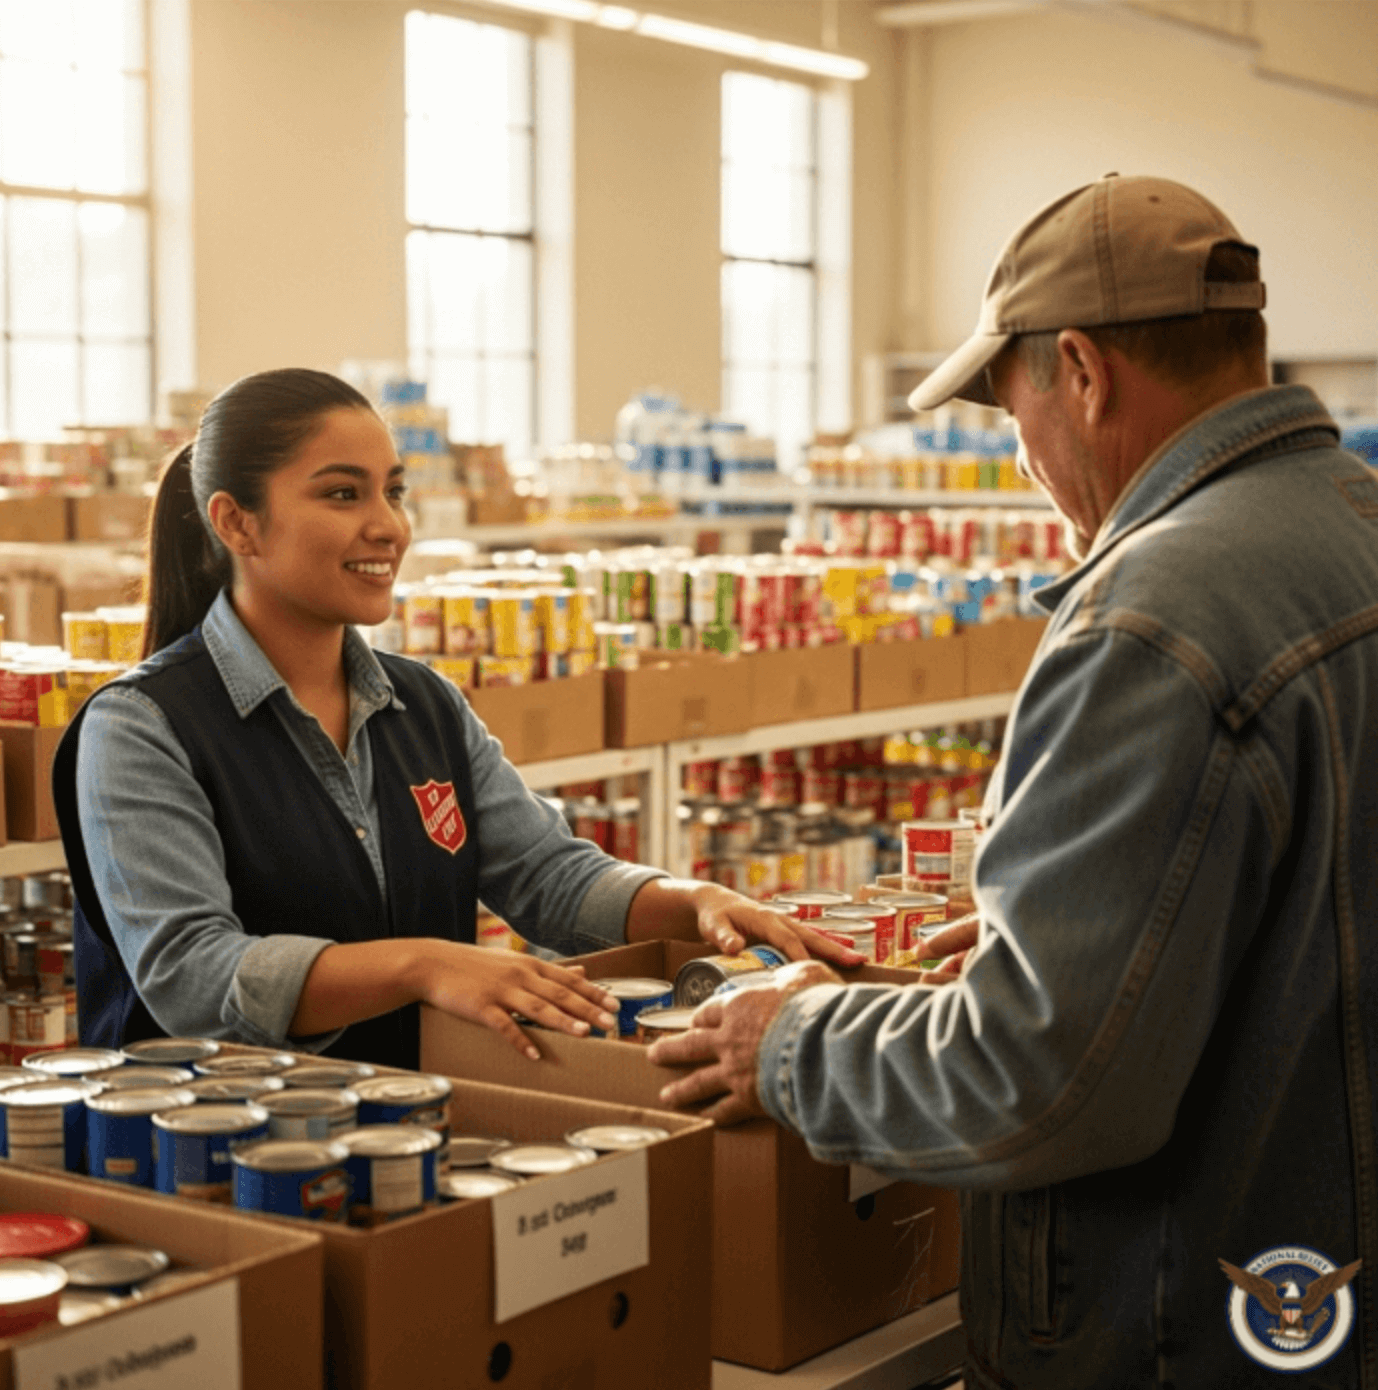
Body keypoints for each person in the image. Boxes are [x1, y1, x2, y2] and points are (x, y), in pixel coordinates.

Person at [650, 175, 1378, 1387]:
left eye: (1010, 413)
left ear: (1082, 373)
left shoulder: (1149, 617)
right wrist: (1064, 929)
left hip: (1178, 1327)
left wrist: (790, 1041)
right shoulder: (1351, 526)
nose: (1027, 459)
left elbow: (1041, 1081)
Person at [54, 368, 861, 1071]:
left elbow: (549, 877)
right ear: (236, 522)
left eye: (394, 492)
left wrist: (691, 902)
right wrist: (422, 966)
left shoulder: (424, 705)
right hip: (211, 1159)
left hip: (410, 1118)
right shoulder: (141, 729)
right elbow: (193, 976)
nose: (390, 525)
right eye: (343, 493)